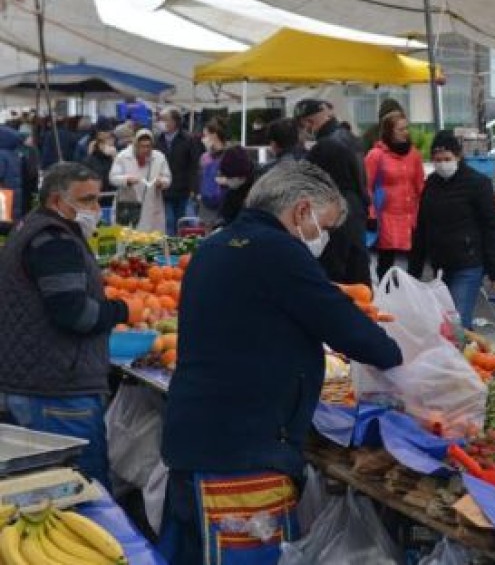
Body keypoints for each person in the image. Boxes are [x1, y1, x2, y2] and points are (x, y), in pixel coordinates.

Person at [159, 161, 402, 564]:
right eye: (324, 227)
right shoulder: (278, 251)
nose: (323, 238)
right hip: (241, 455)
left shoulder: (216, 245)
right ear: (301, 211)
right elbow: (345, 326)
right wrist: (399, 353)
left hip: (196, 440)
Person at [0, 163, 127, 485]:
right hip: (59, 389)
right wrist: (120, 310)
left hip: (32, 380)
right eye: (87, 200)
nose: (97, 209)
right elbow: (75, 314)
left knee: (38, 487)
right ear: (57, 201)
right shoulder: (54, 241)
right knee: (80, 490)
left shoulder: (29, 226)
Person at [409, 130, 495, 329]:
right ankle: (464, 353)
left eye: (447, 158)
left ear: (458, 156)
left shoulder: (478, 184)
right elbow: (422, 227)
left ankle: (461, 354)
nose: (442, 164)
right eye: (437, 159)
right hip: (441, 265)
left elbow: (491, 226)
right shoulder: (431, 184)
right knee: (445, 321)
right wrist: (413, 272)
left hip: (468, 263)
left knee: (456, 321)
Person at [296, 99, 372, 285]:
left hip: (334, 216)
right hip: (355, 211)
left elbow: (305, 184)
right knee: (359, 276)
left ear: (308, 122)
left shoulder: (323, 147)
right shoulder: (352, 138)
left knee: (337, 279)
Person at [366, 111, 425, 281]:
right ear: (389, 132)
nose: (405, 132)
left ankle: (412, 291)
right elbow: (366, 186)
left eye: (406, 128)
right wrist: (371, 214)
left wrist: (425, 209)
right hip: (387, 215)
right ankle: (386, 294)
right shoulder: (376, 155)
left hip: (411, 214)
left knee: (416, 258)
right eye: (400, 129)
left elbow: (420, 184)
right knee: (386, 260)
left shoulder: (413, 154)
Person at [110, 128, 172, 233]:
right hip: (128, 203)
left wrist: (162, 183)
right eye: (142, 146)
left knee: (151, 237)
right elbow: (113, 178)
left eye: (148, 146)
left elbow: (167, 178)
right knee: (128, 235)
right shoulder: (123, 156)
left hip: (151, 204)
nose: (145, 149)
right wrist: (127, 180)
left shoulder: (159, 157)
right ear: (135, 145)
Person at [155, 108, 202, 236]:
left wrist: (194, 188)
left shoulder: (188, 139)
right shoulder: (158, 140)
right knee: (168, 221)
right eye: (160, 119)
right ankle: (170, 249)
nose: (161, 122)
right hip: (165, 190)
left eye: (164, 119)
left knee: (183, 222)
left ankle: (182, 248)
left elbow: (195, 165)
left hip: (184, 189)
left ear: (175, 122)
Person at [196, 121, 231, 227]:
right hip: (206, 203)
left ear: (214, 135)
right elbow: (201, 177)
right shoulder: (204, 157)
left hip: (224, 203)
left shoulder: (230, 154)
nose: (203, 139)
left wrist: (227, 181)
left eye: (205, 135)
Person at [216, 144, 256, 227]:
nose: (229, 180)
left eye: (230, 177)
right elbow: (224, 217)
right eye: (227, 177)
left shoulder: (260, 188)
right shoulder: (232, 193)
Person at [0, 123, 24, 224]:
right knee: (9, 222)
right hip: (12, 193)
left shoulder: (1, 155)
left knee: (3, 222)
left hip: (3, 195)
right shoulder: (14, 154)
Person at [83, 129, 118, 195]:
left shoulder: (114, 158)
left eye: (112, 143)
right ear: (100, 144)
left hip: (113, 195)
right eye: (108, 143)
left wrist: (115, 159)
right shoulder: (90, 160)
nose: (111, 145)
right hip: (99, 195)